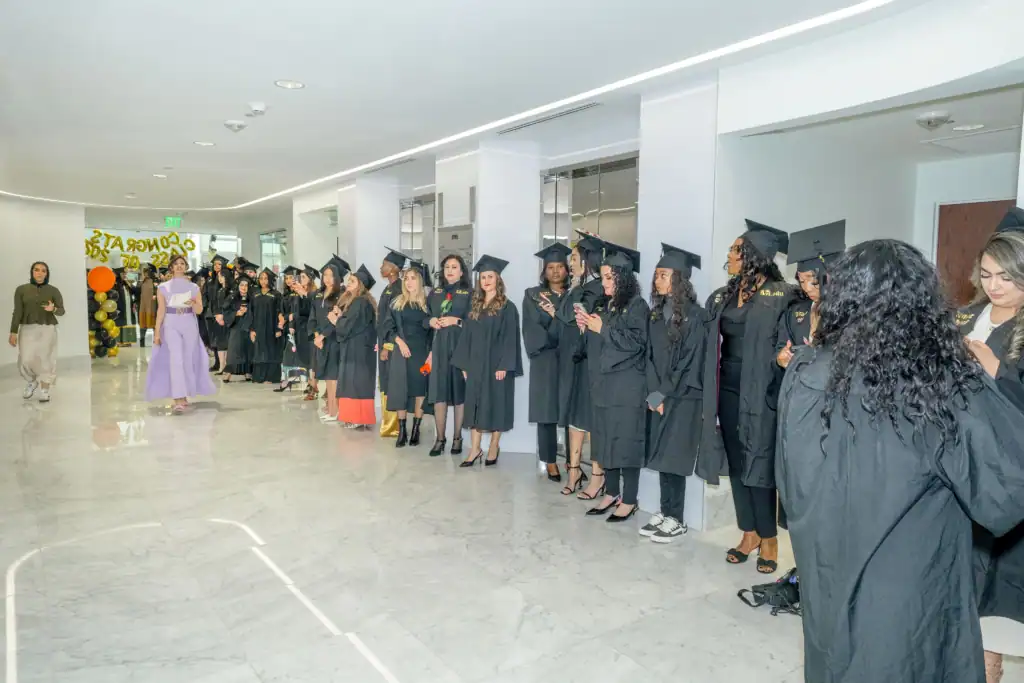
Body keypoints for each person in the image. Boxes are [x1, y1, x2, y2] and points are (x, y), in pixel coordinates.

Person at [776, 239, 1024, 683]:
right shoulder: (943, 383)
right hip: (911, 585)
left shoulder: (805, 369)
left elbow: (789, 479)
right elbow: (1005, 496)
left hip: (825, 569)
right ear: (922, 303)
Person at [700, 220, 795, 574]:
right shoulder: (727, 294)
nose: (729, 254)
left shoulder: (783, 295)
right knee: (739, 464)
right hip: (728, 388)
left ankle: (770, 539)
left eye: (735, 249)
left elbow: (790, 342)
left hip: (763, 390)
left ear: (753, 256)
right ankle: (749, 532)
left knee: (760, 464)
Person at [958, 207, 1024, 683]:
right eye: (987, 275)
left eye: (1007, 276)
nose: (995, 286)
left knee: (999, 596)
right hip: (962, 465)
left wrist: (996, 371)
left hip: (1009, 474)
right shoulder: (965, 315)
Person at [577, 244, 649, 523]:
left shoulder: (637, 306)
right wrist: (588, 326)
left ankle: (629, 499)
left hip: (628, 385)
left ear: (623, 278)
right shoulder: (608, 305)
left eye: (609, 278)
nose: (604, 282)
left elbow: (636, 343)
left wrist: (602, 328)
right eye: (604, 277)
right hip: (606, 384)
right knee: (606, 440)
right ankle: (611, 492)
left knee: (626, 442)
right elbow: (604, 341)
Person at [641, 244, 705, 542]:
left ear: (679, 278)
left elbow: (690, 362)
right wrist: (654, 394)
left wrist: (664, 394)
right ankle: (665, 513)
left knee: (674, 458)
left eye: (664, 275)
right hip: (660, 398)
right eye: (656, 275)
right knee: (662, 456)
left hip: (683, 397)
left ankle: (677, 518)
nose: (657, 280)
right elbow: (649, 357)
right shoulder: (655, 315)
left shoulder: (696, 316)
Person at [452, 255, 523, 467]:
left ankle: (494, 445)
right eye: (483, 277)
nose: (486, 281)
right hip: (475, 364)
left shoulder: (507, 308)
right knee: (474, 405)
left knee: (496, 404)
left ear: (498, 279)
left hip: (496, 366)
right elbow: (466, 336)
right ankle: (474, 449)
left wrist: (504, 365)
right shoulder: (474, 306)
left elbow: (511, 338)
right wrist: (464, 364)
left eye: (490, 276)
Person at [555, 233, 607, 497]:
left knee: (593, 419)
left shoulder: (601, 290)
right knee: (575, 417)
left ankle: (598, 475)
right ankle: (574, 470)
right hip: (574, 361)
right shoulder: (578, 287)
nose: (570, 263)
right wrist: (575, 285)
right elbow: (563, 314)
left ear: (588, 260)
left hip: (593, 363)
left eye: (575, 258)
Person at [522, 243, 571, 481]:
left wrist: (555, 320)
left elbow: (577, 328)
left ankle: (573, 462)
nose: (554, 271)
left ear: (567, 269)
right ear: (544, 271)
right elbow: (533, 329)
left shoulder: (576, 294)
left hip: (572, 359)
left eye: (559, 266)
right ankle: (550, 460)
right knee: (546, 411)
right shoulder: (533, 295)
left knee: (573, 411)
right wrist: (559, 324)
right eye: (550, 267)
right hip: (545, 359)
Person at [144, 254, 216, 412]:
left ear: (186, 266)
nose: (179, 266)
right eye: (176, 263)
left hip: (189, 322)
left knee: (187, 359)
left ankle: (185, 395)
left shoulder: (194, 288)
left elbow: (199, 310)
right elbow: (161, 311)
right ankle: (177, 398)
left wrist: (194, 303)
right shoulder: (163, 287)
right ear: (171, 267)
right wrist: (157, 333)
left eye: (182, 263)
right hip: (171, 323)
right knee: (175, 359)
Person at [775, 220, 846, 371]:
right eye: (801, 280)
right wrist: (781, 358)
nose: (806, 288)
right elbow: (781, 346)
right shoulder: (794, 313)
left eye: (813, 281)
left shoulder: (848, 315)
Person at [426, 254, 472, 456]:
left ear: (462, 271)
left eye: (454, 267)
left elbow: (477, 322)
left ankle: (457, 438)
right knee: (439, 393)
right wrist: (430, 321)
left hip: (460, 347)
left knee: (459, 394)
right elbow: (424, 317)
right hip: (438, 348)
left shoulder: (470, 293)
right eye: (447, 267)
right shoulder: (435, 293)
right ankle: (440, 438)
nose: (450, 270)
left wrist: (457, 321)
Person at [385, 262, 432, 447]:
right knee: (400, 391)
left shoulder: (427, 304)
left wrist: (431, 354)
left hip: (421, 351)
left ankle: (415, 429)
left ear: (420, 281)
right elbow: (387, 327)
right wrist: (399, 341)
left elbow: (433, 331)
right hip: (401, 351)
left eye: (413, 278)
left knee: (419, 390)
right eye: (406, 278)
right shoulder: (397, 303)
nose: (409, 282)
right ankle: (402, 430)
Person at [9, 261, 64, 402]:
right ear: (32, 272)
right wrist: (13, 331)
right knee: (25, 359)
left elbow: (62, 311)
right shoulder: (21, 290)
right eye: (37, 270)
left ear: (47, 274)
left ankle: (45, 389)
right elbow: (17, 311)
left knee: (46, 359)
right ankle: (31, 381)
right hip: (27, 328)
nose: (40, 273)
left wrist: (54, 310)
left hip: (47, 328)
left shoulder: (53, 290)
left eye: (43, 270)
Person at [335, 265, 378, 429]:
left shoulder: (360, 302)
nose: (348, 283)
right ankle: (353, 417)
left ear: (360, 285)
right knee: (353, 382)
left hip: (358, 350)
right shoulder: (358, 302)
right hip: (356, 348)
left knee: (355, 383)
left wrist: (337, 320)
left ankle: (357, 418)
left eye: (352, 281)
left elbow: (348, 325)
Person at [313, 257, 347, 422]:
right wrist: (315, 335)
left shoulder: (340, 295)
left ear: (337, 277)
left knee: (333, 377)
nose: (327, 278)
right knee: (327, 377)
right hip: (320, 340)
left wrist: (322, 336)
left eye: (331, 275)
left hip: (333, 339)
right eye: (325, 275)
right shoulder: (319, 294)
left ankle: (335, 411)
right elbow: (313, 317)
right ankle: (331, 409)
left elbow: (335, 321)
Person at [377, 248, 406, 438]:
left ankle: (393, 425)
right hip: (383, 341)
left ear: (394, 269)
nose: (381, 268)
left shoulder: (398, 290)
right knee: (385, 381)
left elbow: (392, 321)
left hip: (392, 344)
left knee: (391, 381)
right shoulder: (388, 288)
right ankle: (388, 423)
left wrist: (387, 346)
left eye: (385, 265)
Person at [249, 268, 283, 384]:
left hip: (271, 328)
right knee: (259, 351)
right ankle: (259, 376)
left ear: (270, 280)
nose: (263, 281)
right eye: (261, 278)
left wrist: (278, 328)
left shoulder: (276, 295)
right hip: (258, 327)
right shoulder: (255, 295)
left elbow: (280, 313)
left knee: (271, 351)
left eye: (265, 278)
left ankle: (270, 377)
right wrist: (252, 329)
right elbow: (251, 313)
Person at [277, 266, 308, 392]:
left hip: (298, 327)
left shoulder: (299, 293)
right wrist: (282, 318)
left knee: (297, 356)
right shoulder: (286, 294)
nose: (288, 280)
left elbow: (300, 311)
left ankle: (300, 382)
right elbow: (283, 311)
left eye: (291, 278)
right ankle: (287, 380)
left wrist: (289, 318)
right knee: (288, 355)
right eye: (286, 278)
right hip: (288, 327)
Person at [221, 275, 253, 383]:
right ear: (238, 286)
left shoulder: (252, 298)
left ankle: (247, 372)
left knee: (247, 350)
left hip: (248, 326)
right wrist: (236, 313)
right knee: (234, 349)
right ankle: (228, 373)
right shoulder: (232, 297)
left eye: (246, 285)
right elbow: (225, 310)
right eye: (242, 285)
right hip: (235, 326)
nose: (244, 288)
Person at [301, 264, 321, 401]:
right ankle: (311, 383)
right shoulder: (302, 292)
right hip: (304, 329)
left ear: (310, 279)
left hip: (314, 329)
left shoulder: (315, 294)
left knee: (315, 360)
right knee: (309, 360)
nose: (301, 279)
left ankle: (313, 385)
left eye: (303, 277)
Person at [204, 254, 227, 370]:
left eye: (219, 264)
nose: (216, 266)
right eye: (215, 264)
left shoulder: (225, 279)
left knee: (221, 338)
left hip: (221, 312)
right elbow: (205, 294)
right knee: (213, 338)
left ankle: (223, 363)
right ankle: (217, 362)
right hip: (210, 312)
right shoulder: (210, 279)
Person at [210, 268, 233, 374]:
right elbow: (215, 304)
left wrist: (223, 316)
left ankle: (227, 366)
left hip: (227, 319)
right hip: (218, 319)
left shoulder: (231, 291)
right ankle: (221, 366)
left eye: (221, 276)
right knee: (220, 343)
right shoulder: (219, 290)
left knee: (226, 343)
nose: (219, 279)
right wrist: (216, 315)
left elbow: (229, 306)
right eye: (218, 276)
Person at [137, 265, 157, 348]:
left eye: (147, 273)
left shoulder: (156, 282)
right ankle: (142, 340)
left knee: (155, 324)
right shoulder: (141, 282)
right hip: (143, 306)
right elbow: (137, 292)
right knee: (143, 324)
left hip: (153, 306)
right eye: (144, 273)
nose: (145, 275)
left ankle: (156, 341)